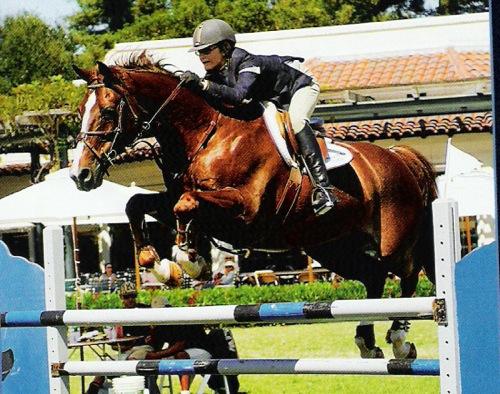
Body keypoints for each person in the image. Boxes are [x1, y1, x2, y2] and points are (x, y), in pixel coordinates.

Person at [180, 18, 336, 216]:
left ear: (226, 47)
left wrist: (202, 85)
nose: (202, 57)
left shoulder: (247, 62)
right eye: (199, 52)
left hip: (299, 85)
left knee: (296, 121)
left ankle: (324, 188)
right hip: (273, 97)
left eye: (207, 50)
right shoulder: (215, 73)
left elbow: (238, 95)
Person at [86, 282, 155, 394]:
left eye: (133, 296)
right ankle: (92, 389)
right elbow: (119, 344)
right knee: (103, 366)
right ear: (121, 298)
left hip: (143, 348)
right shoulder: (120, 315)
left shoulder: (145, 310)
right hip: (128, 350)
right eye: (127, 297)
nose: (130, 299)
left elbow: (154, 335)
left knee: (132, 360)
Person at [144, 298, 213, 394]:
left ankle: (184, 391)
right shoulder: (160, 324)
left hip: (202, 350)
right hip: (182, 353)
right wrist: (152, 334)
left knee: (181, 356)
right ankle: (152, 391)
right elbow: (157, 346)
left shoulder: (179, 318)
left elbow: (179, 346)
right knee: (150, 361)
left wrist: (156, 355)